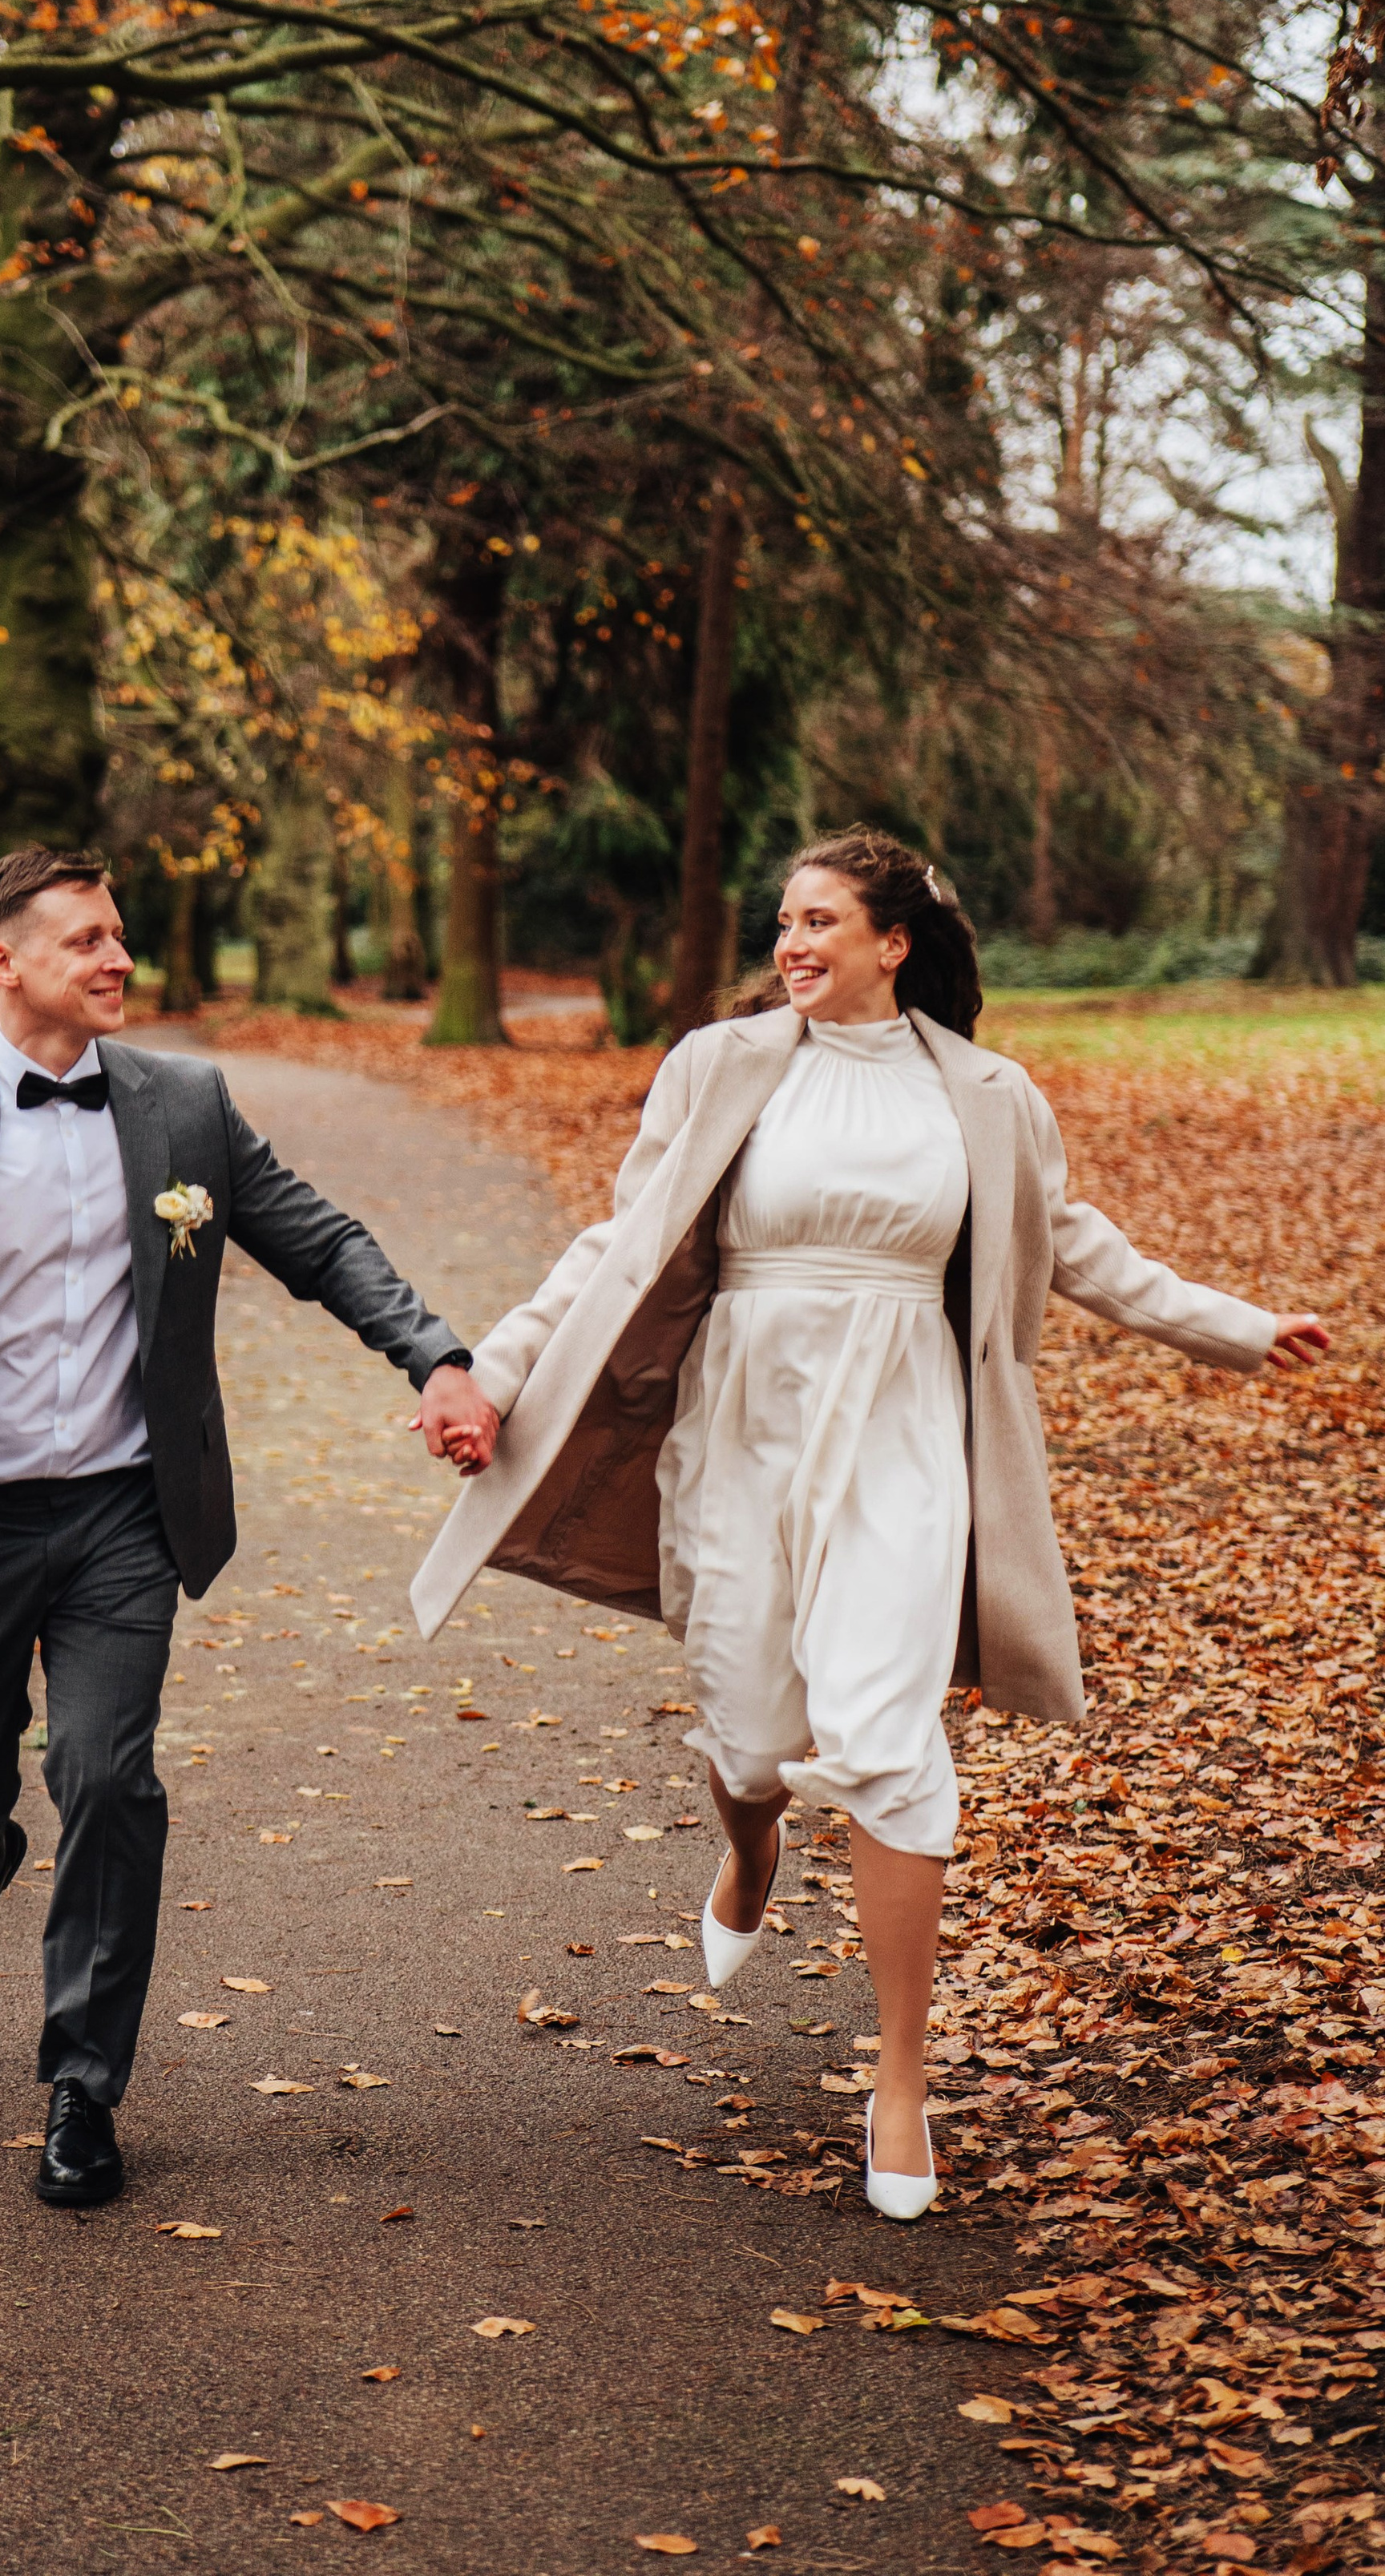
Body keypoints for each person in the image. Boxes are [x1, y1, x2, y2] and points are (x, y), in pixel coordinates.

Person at [408, 825, 1326, 2219]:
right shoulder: (720, 1067)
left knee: (889, 1739)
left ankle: (901, 2081)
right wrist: (494, 1368)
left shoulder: (987, 1095)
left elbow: (1075, 1243)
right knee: (749, 1732)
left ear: (893, 944)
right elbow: (617, 1246)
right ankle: (753, 1842)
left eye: (820, 921)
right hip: (741, 1431)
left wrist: (1238, 1329)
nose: (791, 944)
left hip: (905, 1432)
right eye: (784, 921)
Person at [0, 846, 498, 2210]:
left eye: (120, 934)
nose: (119, 958)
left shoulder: (183, 1107)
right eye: (87, 941)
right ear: (2, 965)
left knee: (109, 1779)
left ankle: (85, 2083)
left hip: (124, 1509)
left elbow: (316, 1239)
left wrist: (437, 1358)